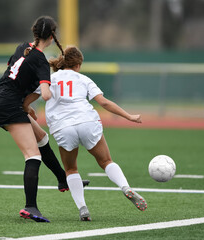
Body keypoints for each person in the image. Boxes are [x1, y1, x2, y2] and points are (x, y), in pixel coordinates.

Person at [24, 46, 147, 221]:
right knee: (106, 161)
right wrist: (129, 116)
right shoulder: (84, 79)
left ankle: (83, 208)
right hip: (87, 121)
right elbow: (104, 103)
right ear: (78, 64)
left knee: (71, 169)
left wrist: (28, 109)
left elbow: (27, 101)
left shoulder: (49, 79)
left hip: (62, 126)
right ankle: (125, 187)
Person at [0, 16, 68, 223]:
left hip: (0, 102)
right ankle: (30, 207)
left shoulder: (22, 47)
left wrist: (26, 105)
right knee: (33, 156)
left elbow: (14, 75)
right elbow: (46, 93)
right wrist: (53, 89)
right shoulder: (41, 60)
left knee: (41, 137)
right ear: (51, 36)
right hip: (8, 107)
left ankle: (63, 179)